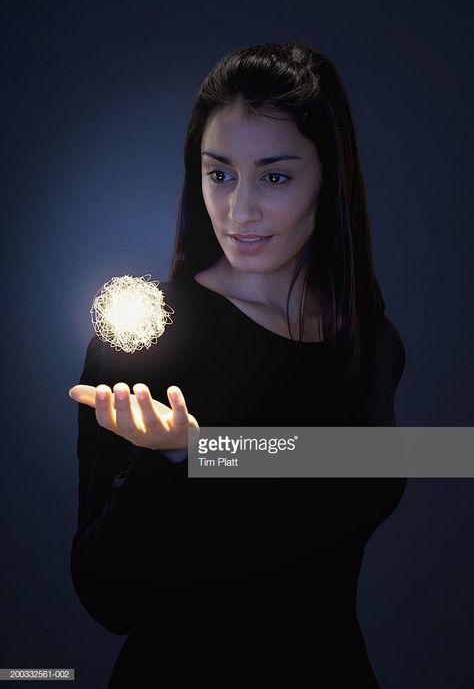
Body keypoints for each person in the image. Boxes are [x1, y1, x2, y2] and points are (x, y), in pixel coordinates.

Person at [69, 42, 407, 688]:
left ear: (329, 176)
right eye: (218, 173)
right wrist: (167, 460)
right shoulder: (144, 342)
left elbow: (377, 473)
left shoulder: (372, 343)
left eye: (274, 176)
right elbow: (105, 600)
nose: (238, 210)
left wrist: (210, 453)